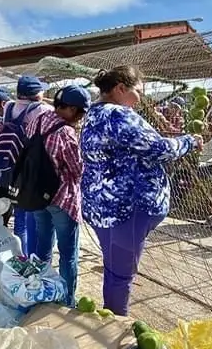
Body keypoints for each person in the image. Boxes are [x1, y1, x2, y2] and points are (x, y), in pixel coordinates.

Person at [81, 66, 200, 316]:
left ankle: (110, 321)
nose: (140, 98)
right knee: (121, 274)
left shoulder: (93, 114)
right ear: (120, 89)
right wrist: (189, 141)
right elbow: (160, 149)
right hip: (127, 207)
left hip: (101, 205)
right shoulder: (119, 115)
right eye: (138, 91)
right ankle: (116, 329)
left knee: (114, 269)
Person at [26, 85, 90, 307]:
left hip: (36, 195)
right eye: (81, 112)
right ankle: (66, 302)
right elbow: (77, 169)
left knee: (42, 248)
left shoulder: (38, 120)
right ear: (71, 109)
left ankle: (41, 293)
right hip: (62, 199)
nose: (81, 118)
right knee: (68, 255)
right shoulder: (66, 132)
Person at [6, 76, 53, 255]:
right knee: (34, 215)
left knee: (19, 216)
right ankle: (33, 256)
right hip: (33, 169)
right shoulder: (43, 110)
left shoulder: (9, 107)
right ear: (36, 94)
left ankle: (21, 255)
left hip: (14, 168)